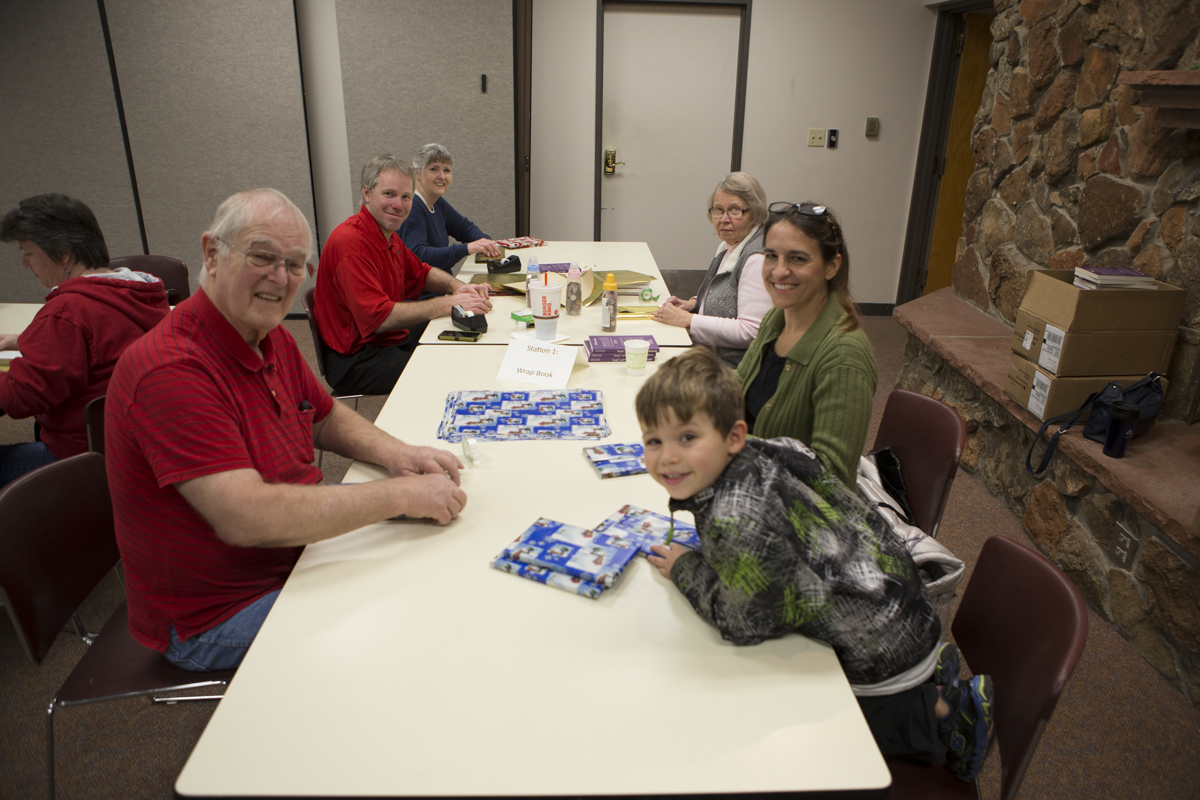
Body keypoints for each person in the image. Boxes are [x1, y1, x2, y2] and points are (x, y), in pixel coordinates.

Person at [106, 188, 468, 672]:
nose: (280, 278)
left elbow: (323, 415)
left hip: (294, 551)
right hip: (218, 612)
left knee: (440, 559)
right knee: (414, 616)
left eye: (295, 264)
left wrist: (400, 454)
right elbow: (248, 518)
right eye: (262, 256)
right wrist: (400, 495)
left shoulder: (267, 332)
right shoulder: (170, 370)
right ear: (211, 253)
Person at [635, 347, 994, 781]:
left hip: (879, 650)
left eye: (687, 438)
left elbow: (744, 620)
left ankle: (946, 709)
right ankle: (928, 671)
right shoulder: (767, 449)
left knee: (818, 726)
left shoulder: (737, 517)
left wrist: (687, 569)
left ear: (733, 437)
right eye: (654, 441)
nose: (667, 457)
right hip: (902, 601)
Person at [0, 194, 169, 488]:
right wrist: (23, 339)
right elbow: (99, 340)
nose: (24, 263)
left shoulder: (67, 312)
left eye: (29, 252)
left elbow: (20, 396)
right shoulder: (139, 290)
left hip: (83, 458)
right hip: (135, 449)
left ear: (64, 254)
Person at [314, 154, 492, 395]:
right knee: (448, 366)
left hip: (385, 340)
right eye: (389, 194)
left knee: (461, 341)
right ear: (367, 194)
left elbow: (421, 273)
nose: (398, 204)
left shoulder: (387, 235)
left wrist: (457, 287)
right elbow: (380, 319)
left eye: (406, 197)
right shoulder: (351, 244)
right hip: (357, 359)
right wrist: (449, 303)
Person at [735, 202, 876, 487]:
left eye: (797, 259)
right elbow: (735, 389)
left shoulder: (843, 356)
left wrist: (730, 450)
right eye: (771, 256)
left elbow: (830, 479)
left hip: (795, 508)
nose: (779, 271)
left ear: (832, 266)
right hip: (748, 482)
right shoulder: (776, 320)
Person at [652, 172, 772, 367]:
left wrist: (689, 320)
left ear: (755, 212)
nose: (724, 219)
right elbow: (730, 296)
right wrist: (695, 303)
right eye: (718, 210)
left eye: (735, 210)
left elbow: (751, 331)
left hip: (732, 370)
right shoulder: (731, 244)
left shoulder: (756, 259)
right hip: (710, 355)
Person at [399, 143, 501, 272]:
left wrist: (484, 241)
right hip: (427, 285)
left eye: (446, 170)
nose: (442, 176)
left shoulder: (437, 202)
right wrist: (468, 248)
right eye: (433, 169)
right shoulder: (413, 206)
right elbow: (419, 256)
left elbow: (465, 228)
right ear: (416, 173)